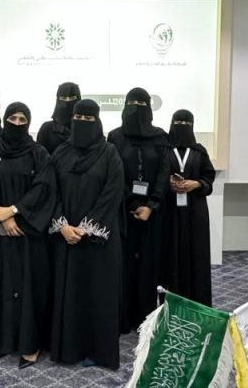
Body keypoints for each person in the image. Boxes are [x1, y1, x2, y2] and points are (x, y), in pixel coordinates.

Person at [45, 99, 125, 370]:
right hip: (66, 237)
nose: (83, 123)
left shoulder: (109, 153)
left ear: (98, 121)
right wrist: (63, 225)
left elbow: (113, 193)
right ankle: (68, 348)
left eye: (89, 119)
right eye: (79, 118)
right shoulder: (60, 153)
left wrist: (87, 227)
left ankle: (98, 351)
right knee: (69, 292)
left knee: (97, 295)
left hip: (98, 240)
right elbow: (51, 191)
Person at [0, 103, 53, 368]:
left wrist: (14, 212)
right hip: (0, 233)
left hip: (28, 232)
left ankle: (31, 345)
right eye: (13, 118)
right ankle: (4, 340)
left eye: (23, 119)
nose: (18, 123)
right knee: (1, 286)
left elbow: (43, 188)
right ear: (5, 119)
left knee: (30, 288)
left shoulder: (39, 153)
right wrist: (2, 219)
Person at [107, 87, 169, 332]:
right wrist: (132, 203)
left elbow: (164, 173)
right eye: (132, 102)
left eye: (142, 103)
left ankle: (147, 318)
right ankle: (124, 317)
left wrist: (151, 205)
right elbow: (114, 173)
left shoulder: (160, 137)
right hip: (123, 212)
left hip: (153, 214)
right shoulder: (115, 137)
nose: (137, 108)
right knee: (124, 265)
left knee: (149, 265)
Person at [159, 109, 216, 307]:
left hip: (195, 211)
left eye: (186, 123)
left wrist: (196, 184)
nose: (182, 126)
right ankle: (169, 306)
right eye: (178, 122)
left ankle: (197, 304)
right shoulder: (164, 150)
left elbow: (209, 178)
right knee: (169, 255)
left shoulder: (200, 151)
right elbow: (156, 176)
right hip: (169, 211)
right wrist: (167, 183)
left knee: (196, 254)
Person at [36, 82, 81, 156]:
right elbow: (40, 158)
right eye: (63, 98)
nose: (67, 102)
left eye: (72, 98)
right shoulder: (47, 129)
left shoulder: (87, 127)